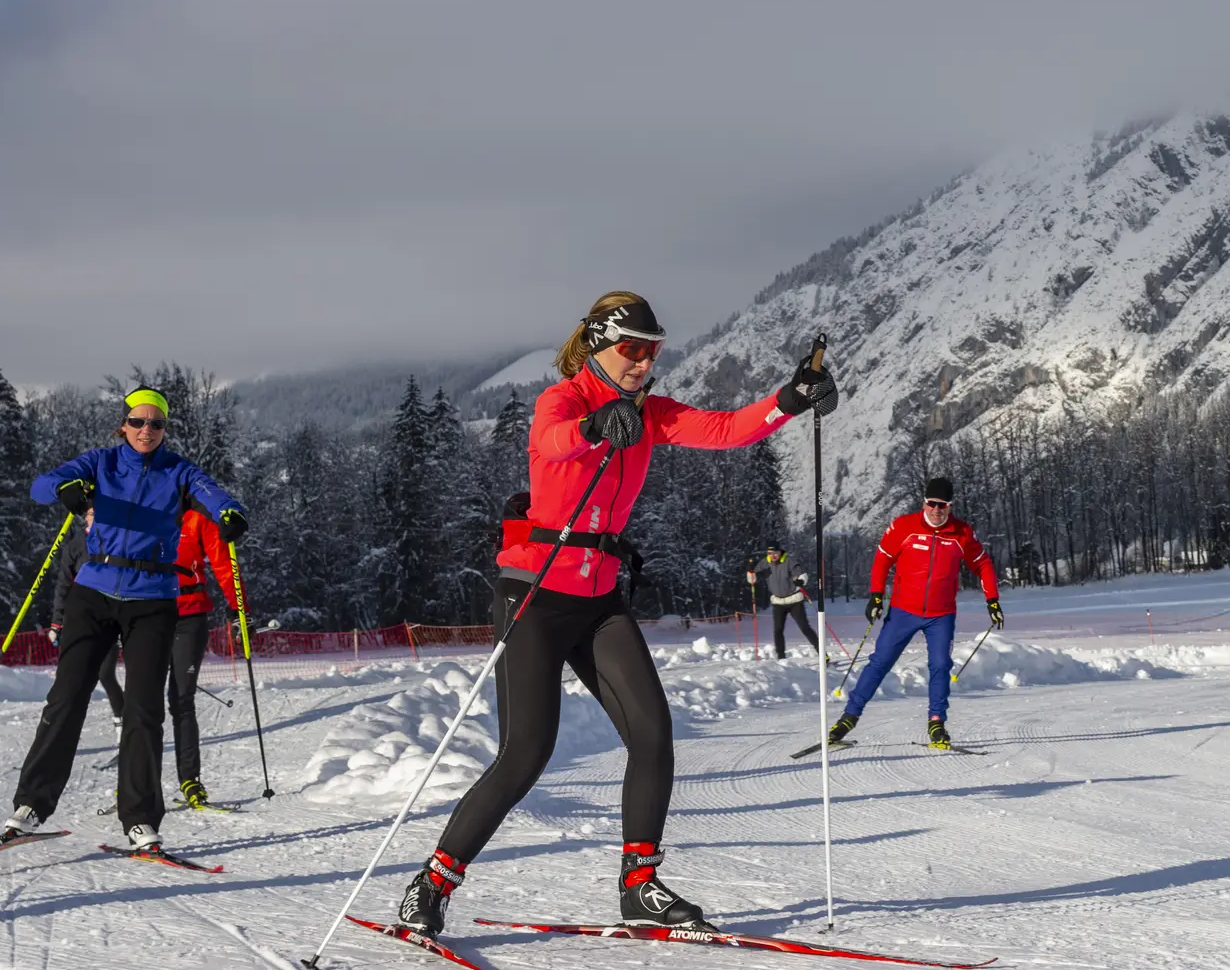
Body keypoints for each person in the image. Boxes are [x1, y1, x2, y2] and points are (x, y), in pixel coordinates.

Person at [395, 291, 835, 939]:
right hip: (536, 595)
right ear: (597, 345)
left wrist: (790, 399)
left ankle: (639, 887)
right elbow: (550, 438)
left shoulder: (650, 412)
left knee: (653, 733)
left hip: (599, 599)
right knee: (526, 754)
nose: (643, 361)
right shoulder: (565, 400)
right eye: (632, 348)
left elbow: (724, 428)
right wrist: (594, 428)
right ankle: (431, 883)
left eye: (652, 349)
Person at [2, 388, 247, 857]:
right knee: (66, 697)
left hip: (153, 599)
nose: (146, 431)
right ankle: (32, 805)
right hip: (93, 592)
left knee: (144, 710)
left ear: (164, 430)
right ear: (123, 424)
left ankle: (139, 821)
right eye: (137, 422)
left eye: (155, 424)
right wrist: (64, 488)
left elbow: (213, 494)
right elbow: (41, 485)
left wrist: (229, 513)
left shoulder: (178, 471)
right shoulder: (100, 462)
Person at [830, 477, 1000, 751]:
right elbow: (883, 557)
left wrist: (992, 600)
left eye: (942, 505)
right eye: (932, 504)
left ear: (950, 506)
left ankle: (936, 721)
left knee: (941, 665)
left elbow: (983, 564)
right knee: (880, 662)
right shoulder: (904, 526)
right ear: (924, 503)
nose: (936, 510)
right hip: (903, 611)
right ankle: (849, 717)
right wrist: (875, 595)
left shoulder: (962, 533)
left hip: (941, 614)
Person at [169, 505, 240, 809]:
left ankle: (190, 780)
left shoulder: (197, 517)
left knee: (182, 699)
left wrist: (239, 608)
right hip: (146, 616)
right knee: (140, 703)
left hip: (190, 615)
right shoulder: (141, 506)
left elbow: (223, 562)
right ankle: (134, 783)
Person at [47, 508, 125, 744]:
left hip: (113, 618)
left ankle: (124, 732)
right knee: (70, 678)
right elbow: (63, 585)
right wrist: (56, 622)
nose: (95, 517)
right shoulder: (76, 545)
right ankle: (56, 737)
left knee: (105, 674)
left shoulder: (118, 540)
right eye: (91, 513)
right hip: (81, 619)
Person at [759, 542, 820, 660]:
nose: (773, 556)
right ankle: (781, 659)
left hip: (794, 600)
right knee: (778, 631)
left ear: (780, 552)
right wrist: (751, 574)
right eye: (770, 553)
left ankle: (823, 655)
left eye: (775, 553)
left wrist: (801, 581)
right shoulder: (765, 564)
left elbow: (802, 574)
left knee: (805, 628)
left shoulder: (788, 561)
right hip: (778, 602)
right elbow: (756, 576)